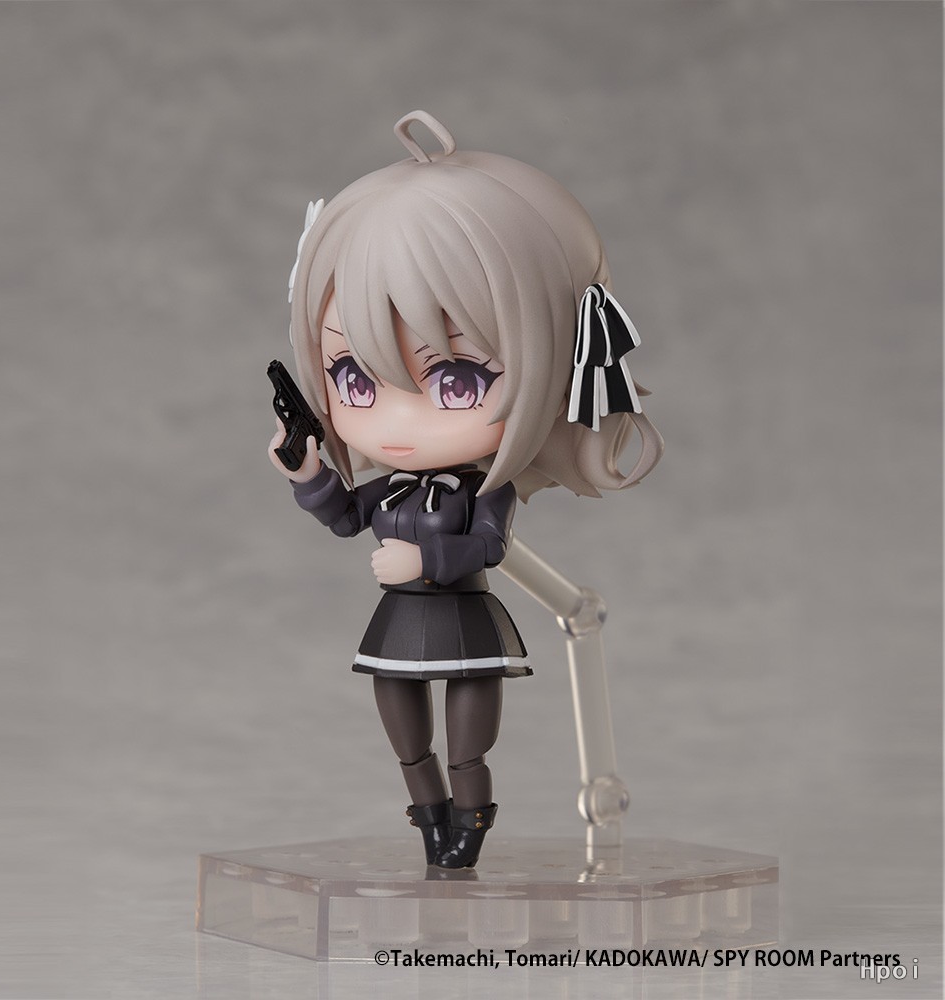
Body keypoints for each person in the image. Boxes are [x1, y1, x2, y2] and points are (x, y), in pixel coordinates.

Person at [269, 111, 662, 869]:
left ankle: (469, 826)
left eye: (455, 379)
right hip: (398, 627)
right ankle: (429, 822)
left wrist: (424, 563)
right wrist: (309, 474)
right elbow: (347, 516)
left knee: (468, 746)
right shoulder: (390, 491)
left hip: (464, 622)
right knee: (406, 742)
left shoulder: (482, 491)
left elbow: (489, 544)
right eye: (354, 377)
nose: (398, 420)